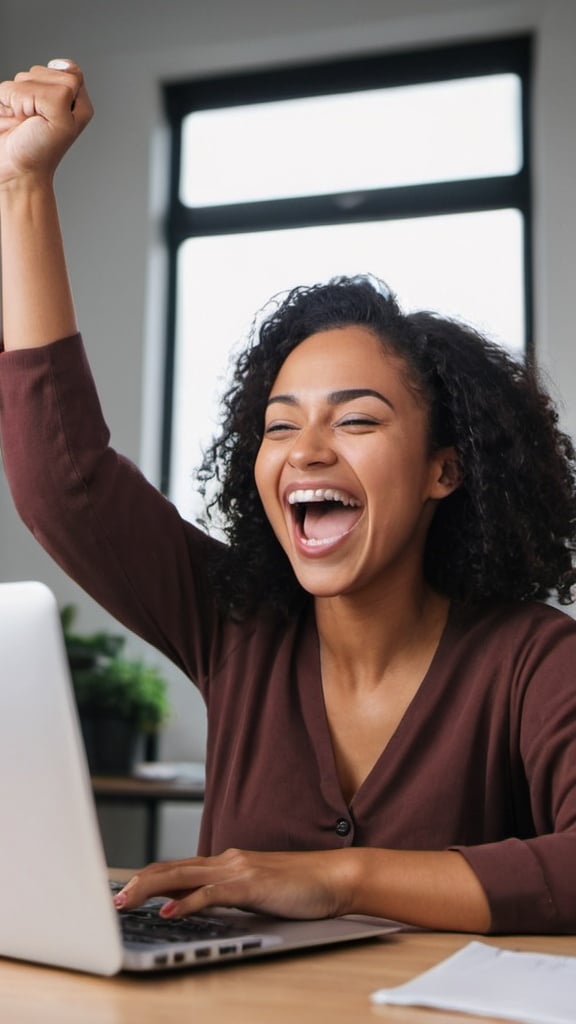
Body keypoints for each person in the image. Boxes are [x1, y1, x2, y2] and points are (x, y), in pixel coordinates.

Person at [1, 60, 576, 936]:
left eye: (357, 421)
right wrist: (22, 181)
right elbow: (63, 476)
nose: (306, 451)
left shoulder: (533, 660)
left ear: (444, 471)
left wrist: (336, 878)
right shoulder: (234, 625)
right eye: (279, 426)